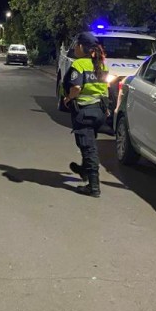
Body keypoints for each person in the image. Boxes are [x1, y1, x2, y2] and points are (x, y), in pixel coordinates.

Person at [62, 31, 108, 198]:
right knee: (87, 143)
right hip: (99, 111)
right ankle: (84, 170)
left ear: (82, 47)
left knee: (89, 149)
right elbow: (104, 88)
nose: (75, 47)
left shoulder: (80, 64)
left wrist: (68, 98)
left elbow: (76, 87)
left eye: (77, 45)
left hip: (84, 111)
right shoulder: (101, 64)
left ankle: (93, 186)